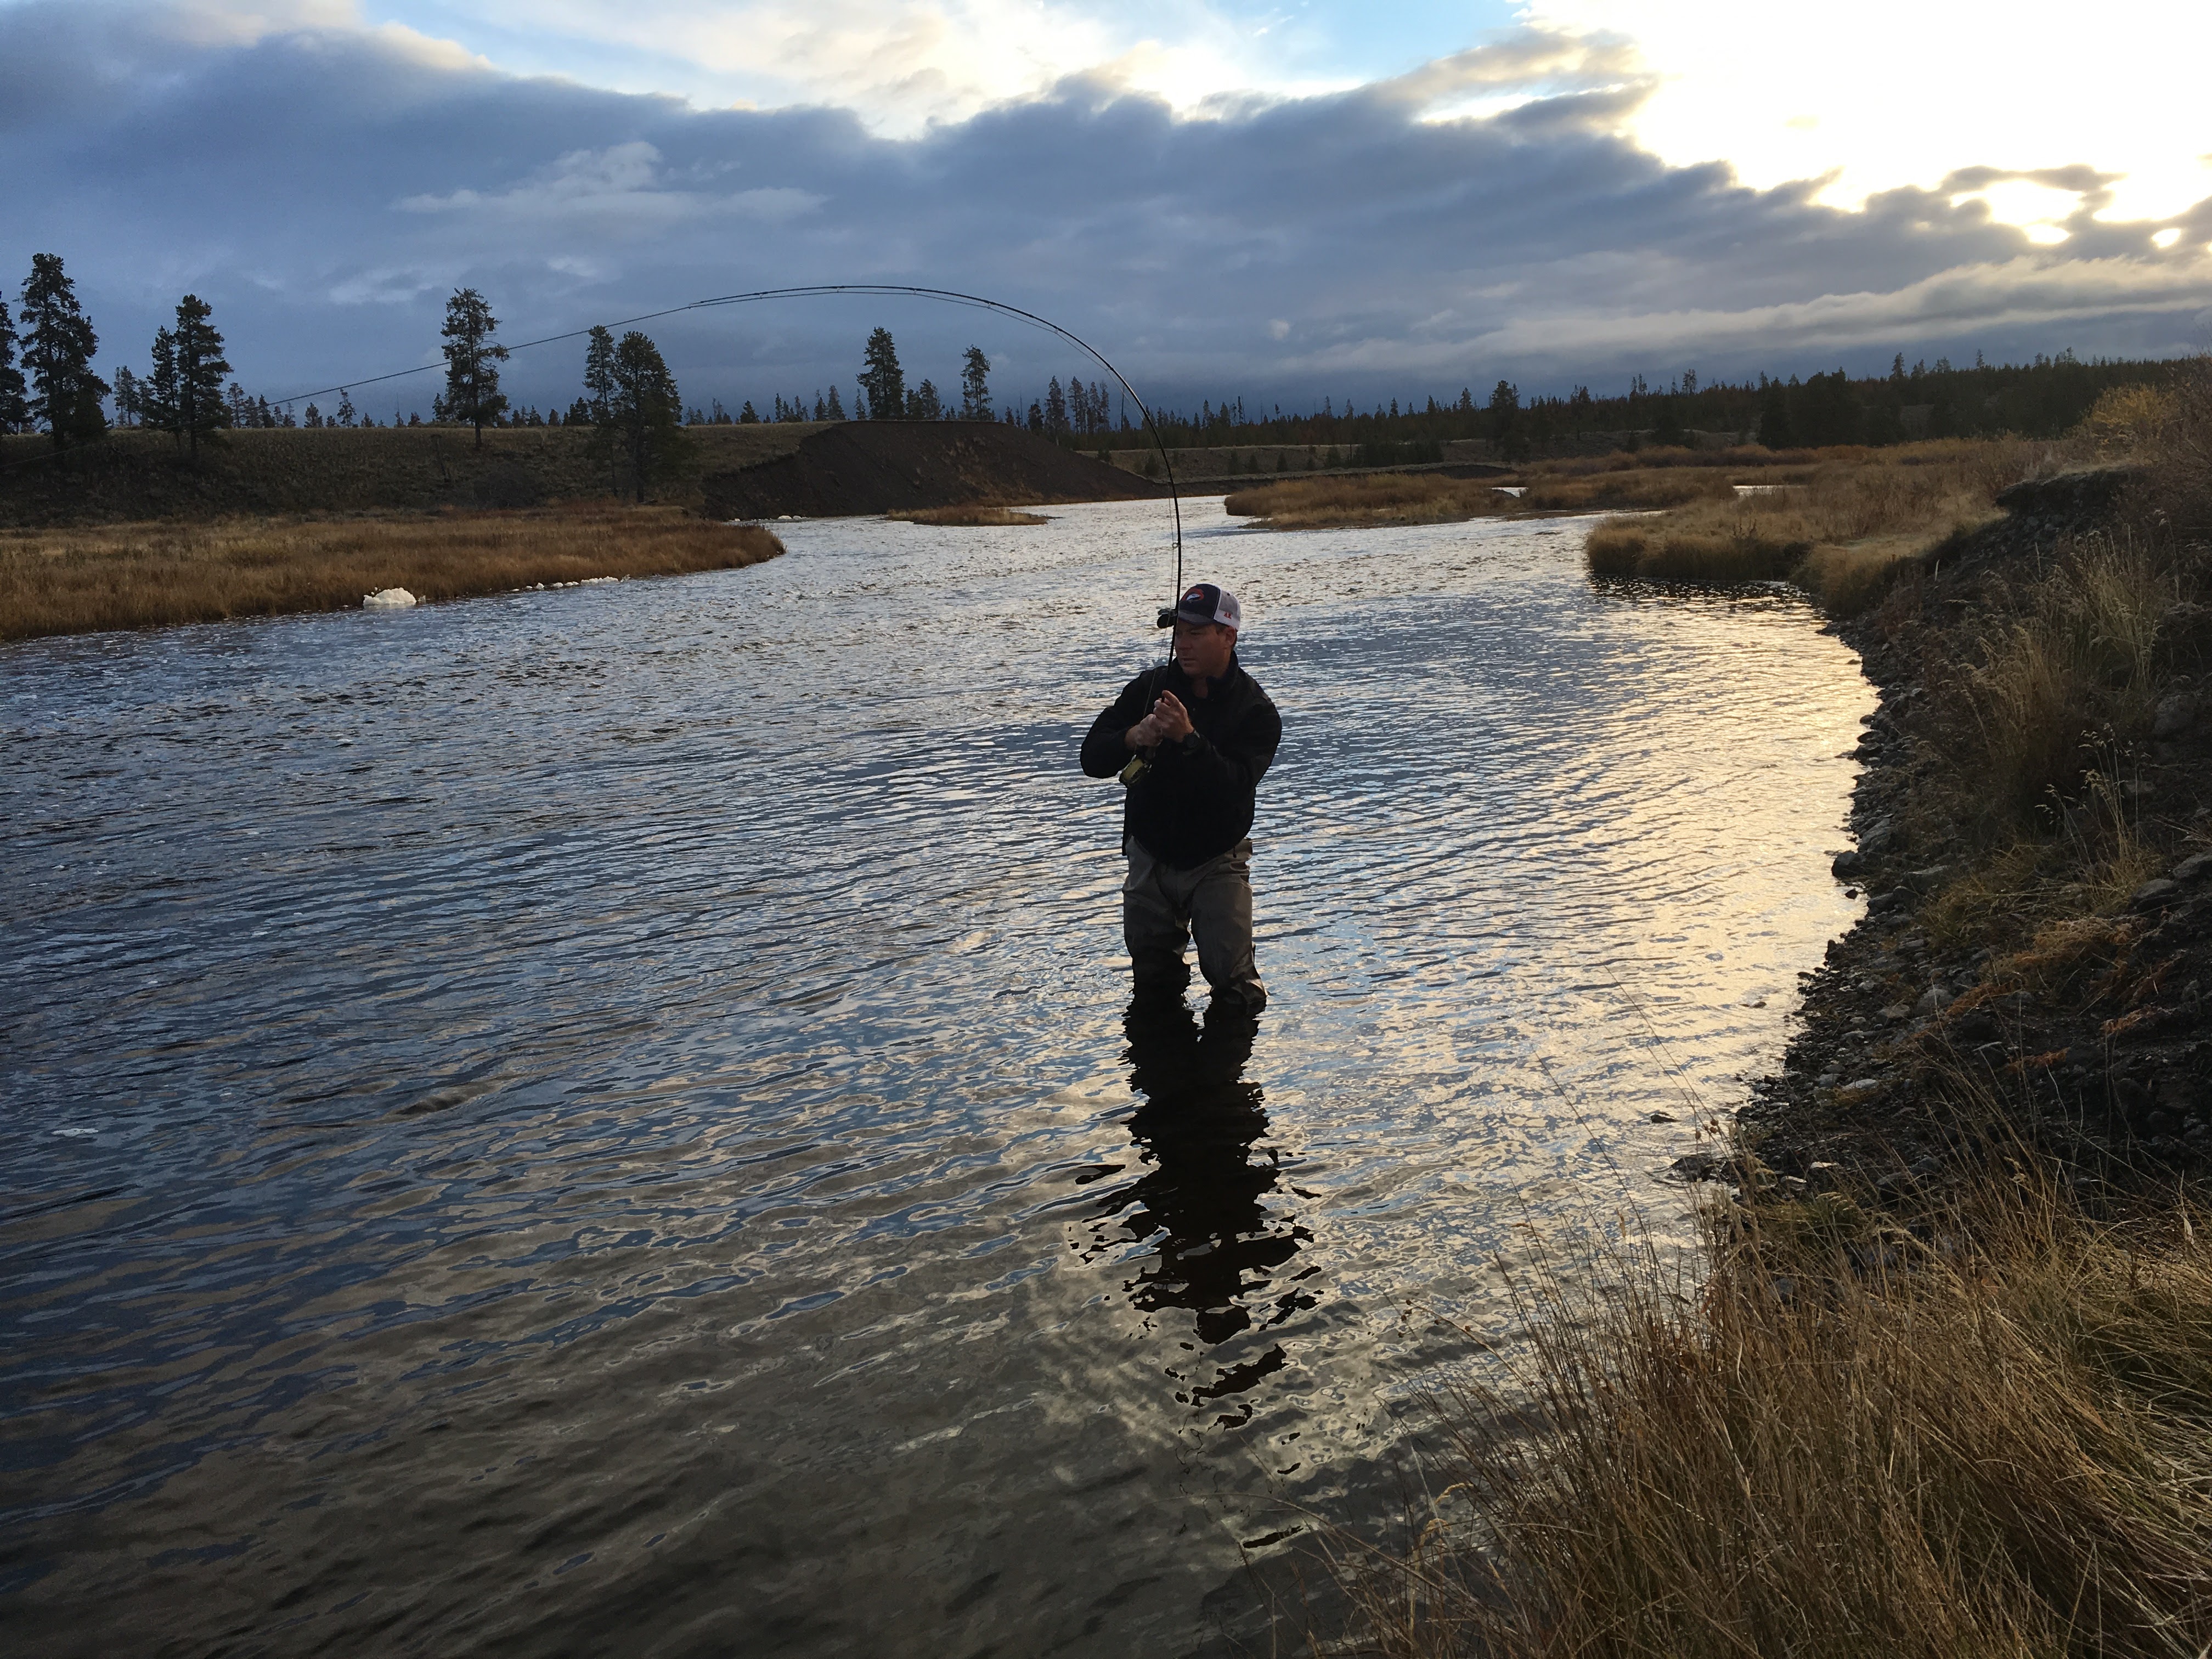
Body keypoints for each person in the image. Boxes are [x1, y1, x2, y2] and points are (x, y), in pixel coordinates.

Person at [1080, 582, 1282, 1014]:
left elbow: (1234, 786)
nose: (1181, 645)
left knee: (1235, 989)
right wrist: (1133, 737)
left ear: (1228, 636)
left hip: (1217, 858)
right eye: (1177, 633)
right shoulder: (1150, 687)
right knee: (1153, 982)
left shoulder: (1257, 711)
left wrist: (1188, 739)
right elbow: (1091, 757)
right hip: (1149, 854)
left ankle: (1225, 1077)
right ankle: (1159, 1074)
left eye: (1195, 633)